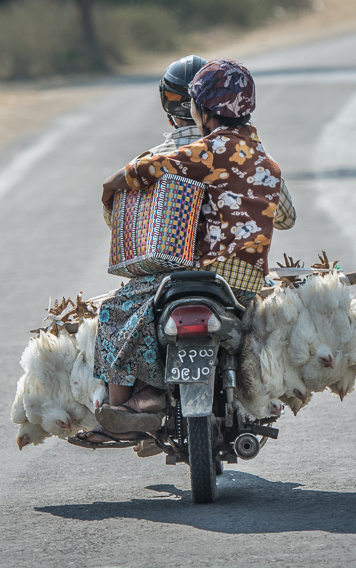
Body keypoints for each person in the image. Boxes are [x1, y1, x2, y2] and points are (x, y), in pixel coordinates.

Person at [72, 58, 296, 448]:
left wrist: (113, 182)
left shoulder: (204, 152)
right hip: (241, 288)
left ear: (205, 112)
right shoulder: (270, 164)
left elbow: (156, 167)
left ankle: (123, 410)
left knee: (116, 310)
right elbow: (286, 217)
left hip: (197, 273)